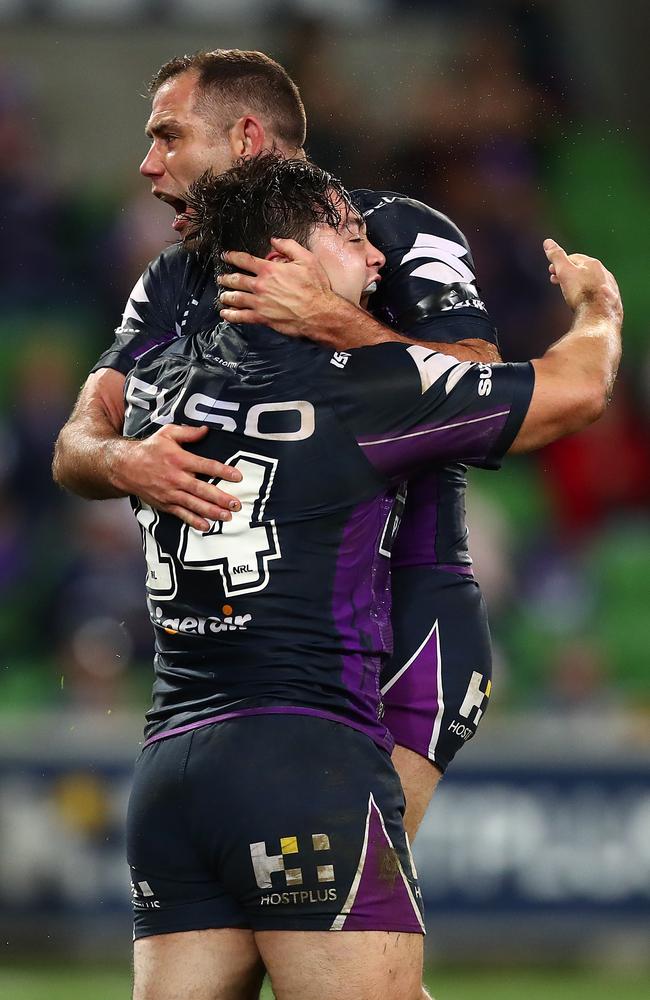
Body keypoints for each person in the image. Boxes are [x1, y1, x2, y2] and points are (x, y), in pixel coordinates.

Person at [122, 153, 621, 1000]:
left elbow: (82, 450)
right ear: (285, 261)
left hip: (170, 773)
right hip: (305, 763)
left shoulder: (153, 389)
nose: (379, 256)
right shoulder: (367, 389)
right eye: (352, 236)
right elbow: (576, 390)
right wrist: (599, 308)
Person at [52, 50, 506, 840]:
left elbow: (486, 384)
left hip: (401, 633)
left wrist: (341, 323)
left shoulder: (388, 235)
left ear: (249, 137)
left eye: (169, 136)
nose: (148, 163)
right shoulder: (172, 278)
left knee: (340, 923)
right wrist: (128, 459)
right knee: (303, 933)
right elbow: (76, 443)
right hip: (246, 660)